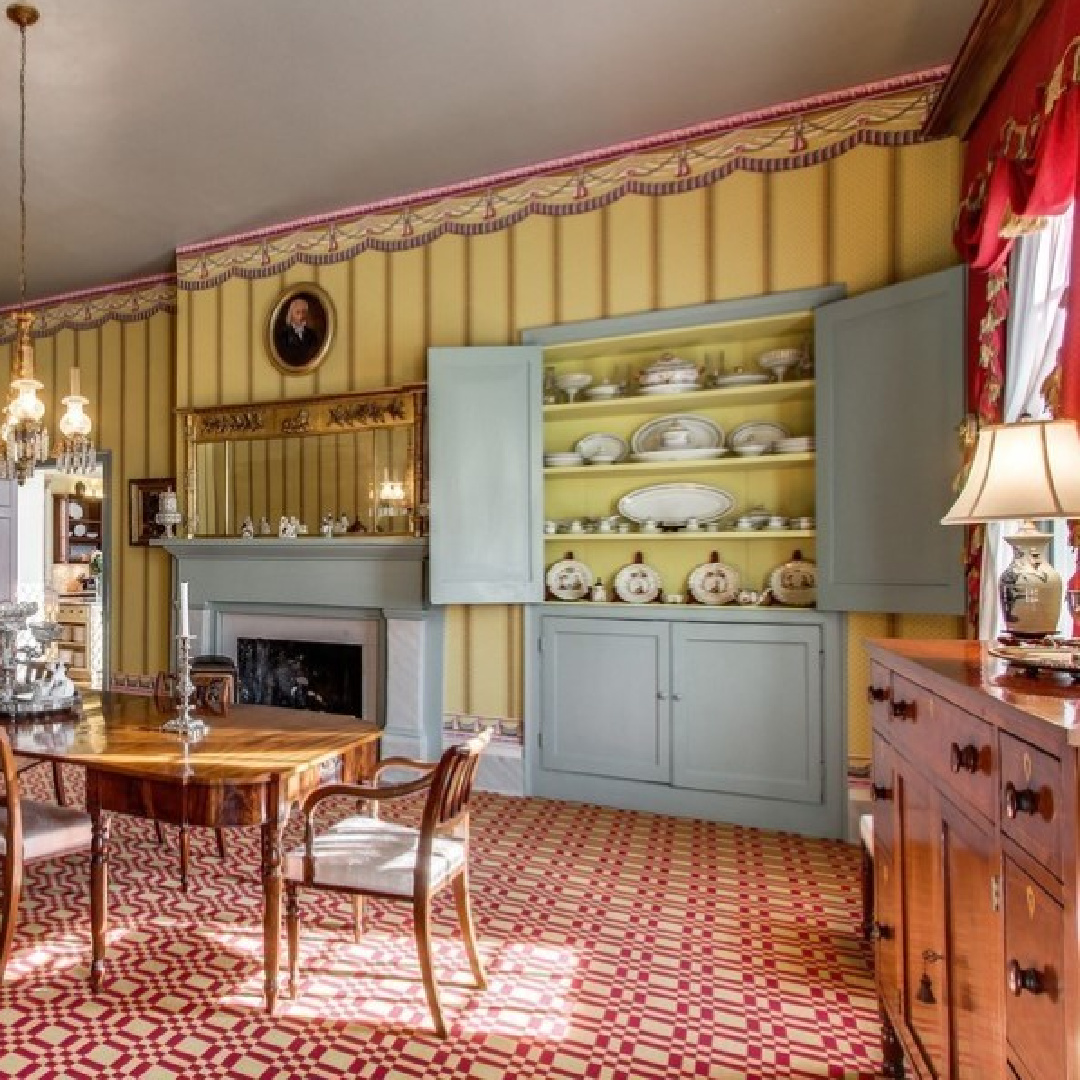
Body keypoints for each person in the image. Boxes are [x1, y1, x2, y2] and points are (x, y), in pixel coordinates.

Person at [273, 294, 322, 368]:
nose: (301, 316)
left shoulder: (312, 334)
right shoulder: (283, 335)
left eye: (304, 312)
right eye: (298, 312)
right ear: (291, 315)